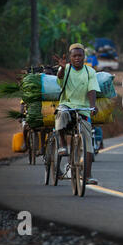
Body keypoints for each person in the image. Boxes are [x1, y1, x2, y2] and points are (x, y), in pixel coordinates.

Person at [53, 43, 101, 185]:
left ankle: (87, 175)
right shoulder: (65, 69)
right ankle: (63, 145)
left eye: (80, 55)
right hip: (67, 104)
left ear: (84, 57)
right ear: (70, 57)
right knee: (61, 113)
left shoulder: (89, 71)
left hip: (83, 108)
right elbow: (60, 79)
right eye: (75, 56)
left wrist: (92, 106)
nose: (77, 58)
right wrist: (61, 67)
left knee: (88, 141)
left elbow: (92, 89)